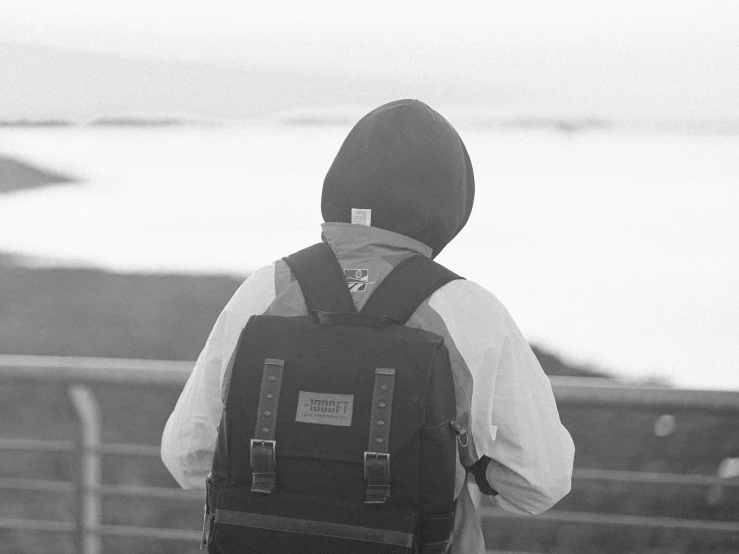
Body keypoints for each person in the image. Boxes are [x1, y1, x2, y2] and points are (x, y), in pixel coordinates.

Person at [161, 99, 574, 553]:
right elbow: (541, 481)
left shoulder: (265, 290)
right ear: (454, 202)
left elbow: (185, 455)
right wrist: (466, 467)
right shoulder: (468, 311)